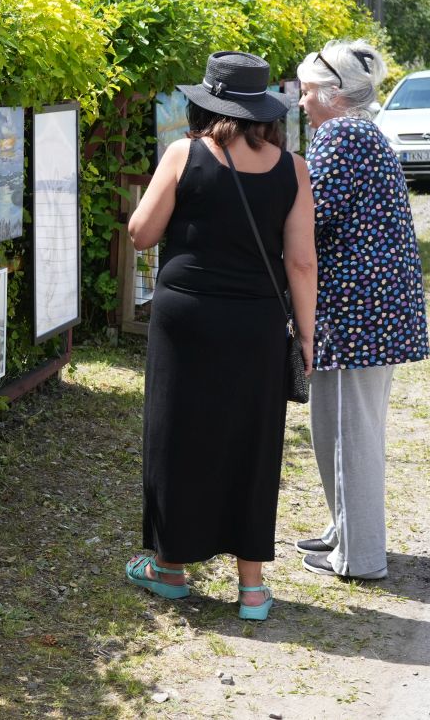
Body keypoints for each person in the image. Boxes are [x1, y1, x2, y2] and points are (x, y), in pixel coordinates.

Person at [125, 51, 317, 621]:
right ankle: (252, 589)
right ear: (266, 110)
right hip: (257, 322)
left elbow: (140, 234)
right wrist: (306, 338)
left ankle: (170, 568)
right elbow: (301, 262)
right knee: (254, 441)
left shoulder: (184, 154)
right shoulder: (293, 168)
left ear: (205, 103)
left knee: (176, 432)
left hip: (187, 317)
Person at [293, 39, 430, 580]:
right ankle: (345, 530)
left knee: (350, 434)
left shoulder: (340, 136)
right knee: (342, 428)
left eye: (306, 93)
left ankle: (360, 557)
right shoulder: (360, 132)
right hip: (373, 310)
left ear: (332, 94)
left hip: (357, 315)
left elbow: (309, 218)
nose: (302, 103)